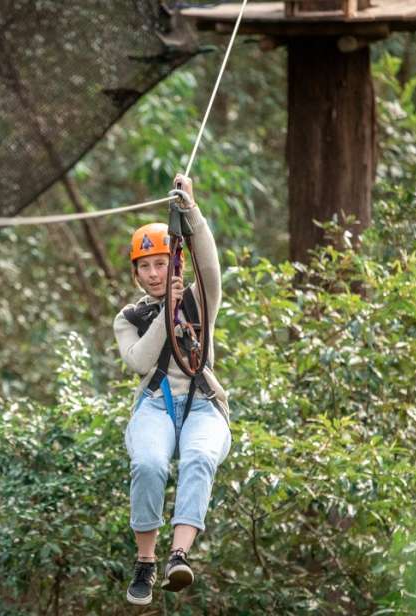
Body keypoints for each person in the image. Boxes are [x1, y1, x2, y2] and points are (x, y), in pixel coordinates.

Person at [114, 173, 231, 606]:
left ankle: (178, 554)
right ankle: (145, 560)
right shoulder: (129, 317)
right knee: (148, 463)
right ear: (136, 272)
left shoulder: (201, 298)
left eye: (161, 263)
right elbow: (141, 362)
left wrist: (192, 212)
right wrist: (166, 311)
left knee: (200, 457)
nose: (153, 272)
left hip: (203, 402)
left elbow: (211, 263)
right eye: (144, 266)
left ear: (175, 264)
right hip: (156, 403)